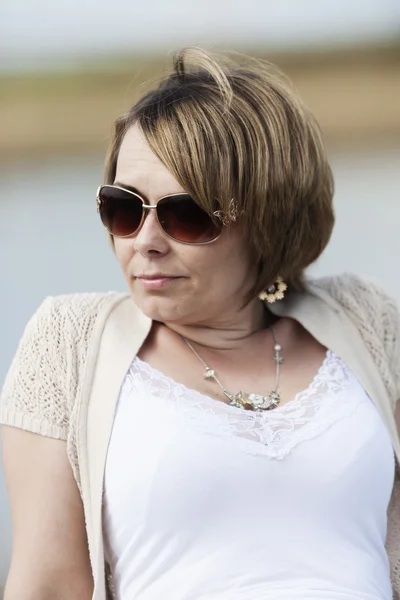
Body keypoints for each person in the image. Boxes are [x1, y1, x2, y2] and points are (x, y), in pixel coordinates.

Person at [1, 47, 399, 600]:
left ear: (269, 217)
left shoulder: (365, 320)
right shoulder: (67, 344)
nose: (144, 240)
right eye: (123, 207)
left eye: (184, 215)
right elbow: (46, 586)